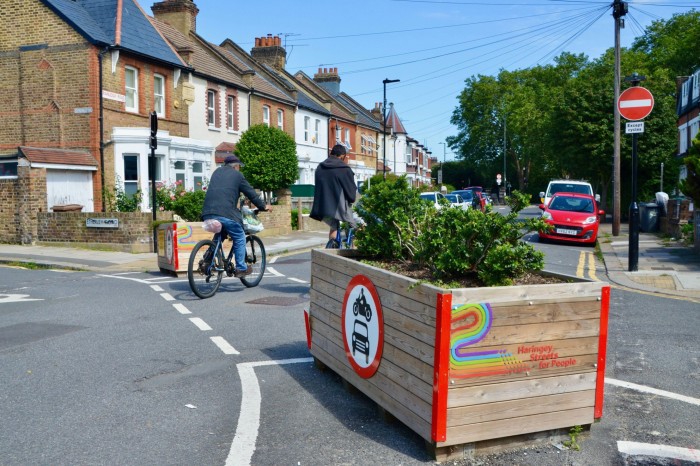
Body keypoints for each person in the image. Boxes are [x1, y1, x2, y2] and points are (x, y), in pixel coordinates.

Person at [201, 155, 271, 277]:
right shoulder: (237, 176)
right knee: (239, 236)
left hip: (207, 212)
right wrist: (263, 206)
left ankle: (207, 260)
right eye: (239, 166)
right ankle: (241, 268)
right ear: (236, 166)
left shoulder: (216, 172)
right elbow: (251, 194)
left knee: (221, 234)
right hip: (226, 212)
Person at [310, 144, 358, 240]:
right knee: (353, 227)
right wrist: (352, 199)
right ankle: (352, 251)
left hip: (322, 207)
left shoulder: (320, 167)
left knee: (333, 227)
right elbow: (351, 193)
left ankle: (331, 247)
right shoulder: (344, 169)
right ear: (342, 156)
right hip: (339, 207)